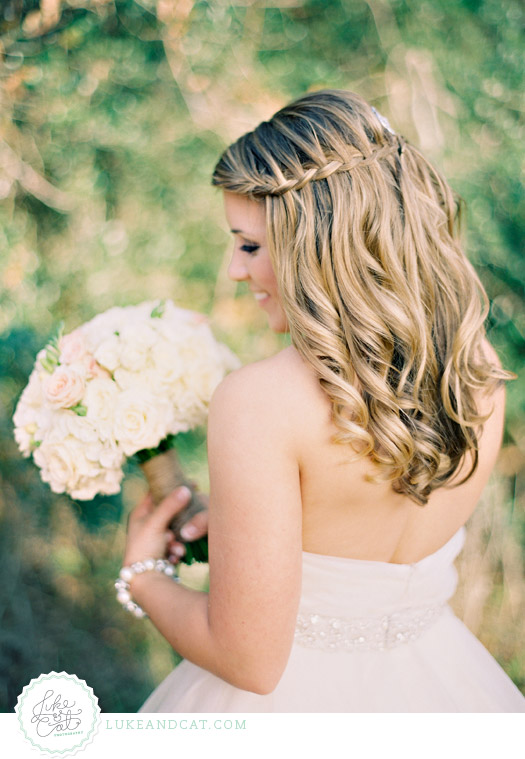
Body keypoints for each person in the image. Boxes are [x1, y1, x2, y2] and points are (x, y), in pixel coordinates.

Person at [121, 89, 524, 712]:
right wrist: (233, 527)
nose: (234, 269)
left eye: (249, 245)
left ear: (318, 246)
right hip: (439, 690)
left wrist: (143, 577)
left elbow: (249, 660)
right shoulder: (478, 377)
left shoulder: (258, 402)